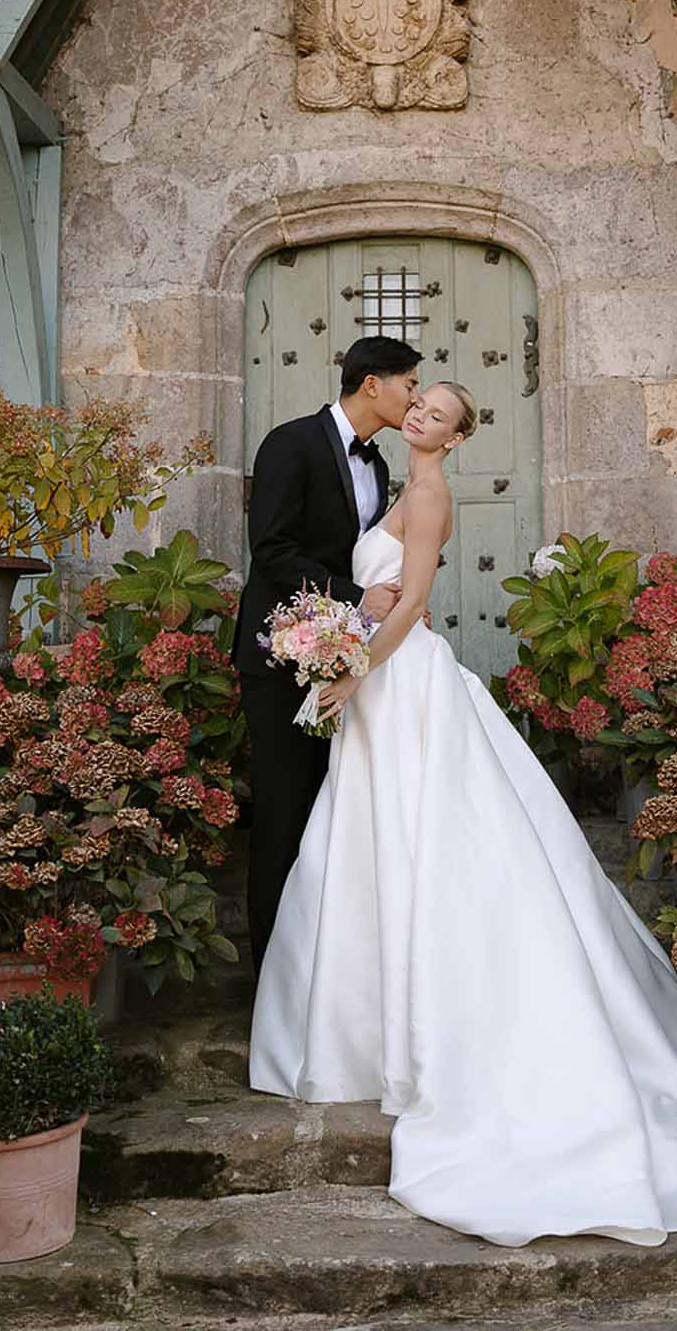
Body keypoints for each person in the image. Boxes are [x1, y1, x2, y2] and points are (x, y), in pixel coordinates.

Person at [249, 381, 677, 1249]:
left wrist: (352, 669)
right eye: (420, 406)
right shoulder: (393, 482)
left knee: (429, 846)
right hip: (381, 689)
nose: (421, 417)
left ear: (454, 440)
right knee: (367, 846)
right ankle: (356, 1033)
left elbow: (410, 606)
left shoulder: (431, 492)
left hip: (403, 687)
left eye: (440, 415)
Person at [233, 335, 422, 974]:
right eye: (410, 383)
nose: (415, 397)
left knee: (330, 822)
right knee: (283, 819)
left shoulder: (379, 466)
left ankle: (321, 984)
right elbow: (272, 552)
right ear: (373, 383)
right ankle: (269, 987)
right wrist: (355, 596)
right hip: (281, 661)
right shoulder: (291, 443)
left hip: (340, 664)